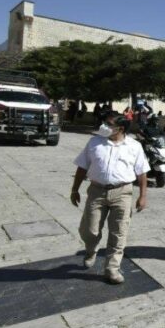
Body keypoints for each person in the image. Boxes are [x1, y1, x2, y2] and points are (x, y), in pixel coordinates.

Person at [70, 113, 150, 284]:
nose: (103, 126)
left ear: (120, 128)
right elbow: (82, 167)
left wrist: (143, 196)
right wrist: (75, 189)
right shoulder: (94, 142)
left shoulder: (134, 146)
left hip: (122, 193)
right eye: (104, 122)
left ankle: (112, 269)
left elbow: (142, 173)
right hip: (96, 191)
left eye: (108, 124)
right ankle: (91, 249)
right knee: (89, 230)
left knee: (119, 232)